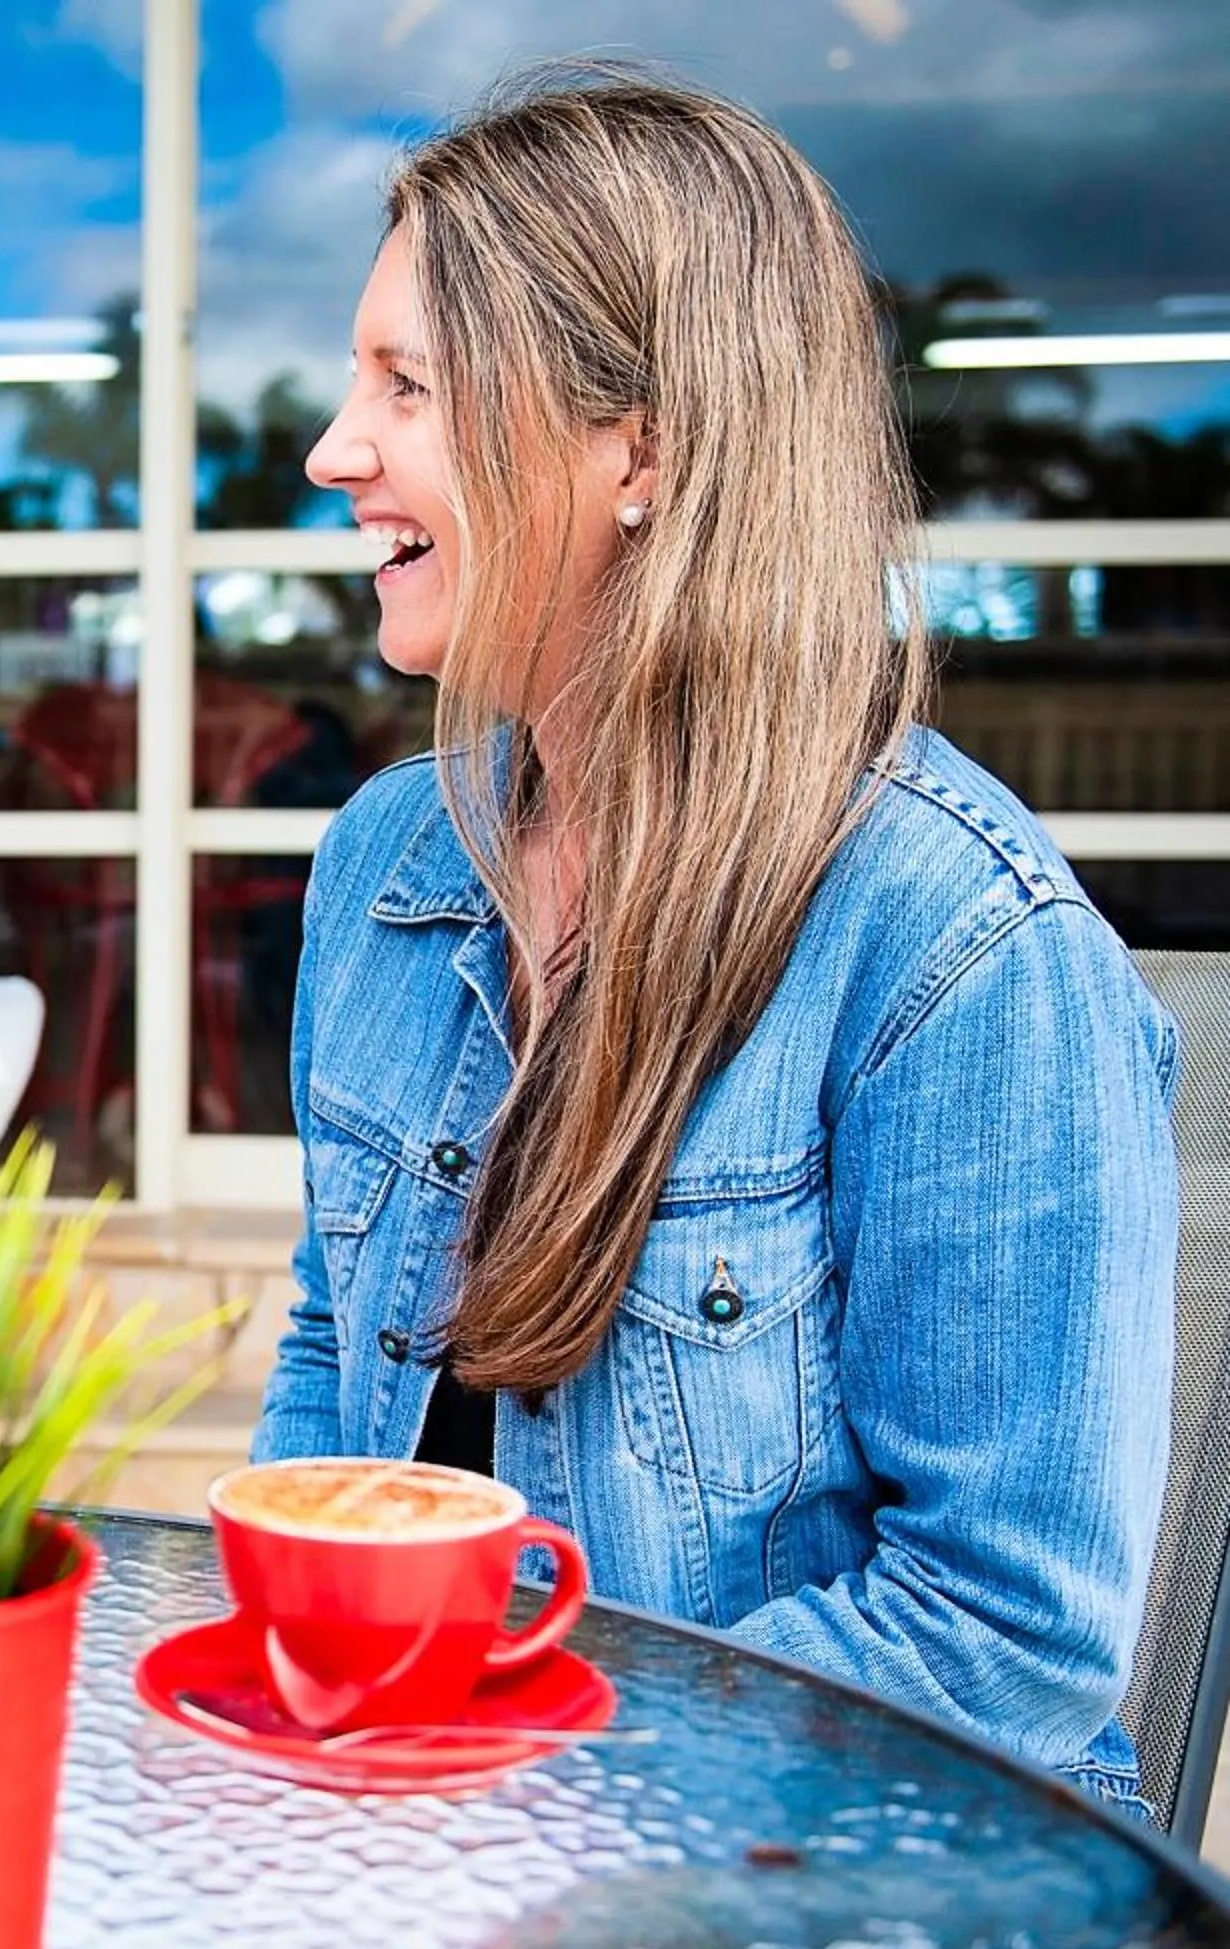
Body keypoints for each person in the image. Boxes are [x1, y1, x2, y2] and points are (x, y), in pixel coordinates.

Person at [259, 66, 1178, 1814]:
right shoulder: (389, 864)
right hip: (442, 1831)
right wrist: (295, 1718)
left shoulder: (955, 939)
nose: (335, 448)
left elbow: (1009, 1638)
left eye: (411, 386)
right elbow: (333, 1360)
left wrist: (518, 1774)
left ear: (643, 450)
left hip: (845, 1877)